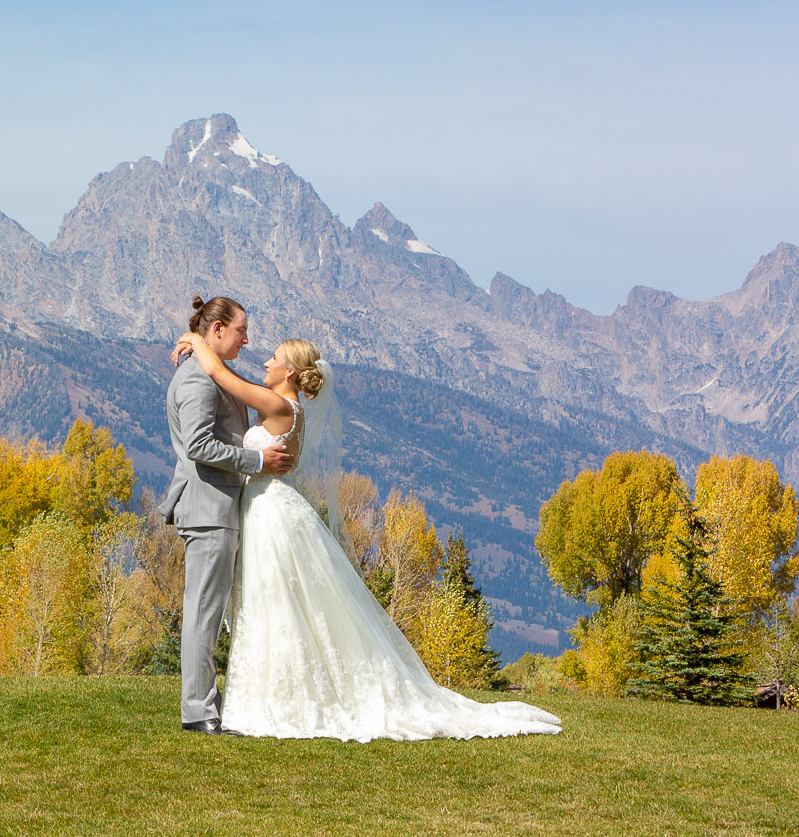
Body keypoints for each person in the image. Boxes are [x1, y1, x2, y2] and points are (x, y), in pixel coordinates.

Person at [174, 329, 562, 741]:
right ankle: (266, 695)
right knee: (271, 600)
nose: (265, 362)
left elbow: (220, 373)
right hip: (265, 508)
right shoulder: (289, 407)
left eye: (273, 357)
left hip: (270, 511)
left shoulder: (277, 403)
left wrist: (197, 341)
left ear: (289, 371)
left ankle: (281, 698)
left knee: (276, 599)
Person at [159, 295, 294, 733]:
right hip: (209, 508)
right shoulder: (199, 379)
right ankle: (198, 713)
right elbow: (199, 445)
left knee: (209, 611)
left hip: (215, 507)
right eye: (240, 330)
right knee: (204, 612)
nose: (247, 339)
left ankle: (206, 707)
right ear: (216, 329)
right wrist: (257, 462)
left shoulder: (208, 370)